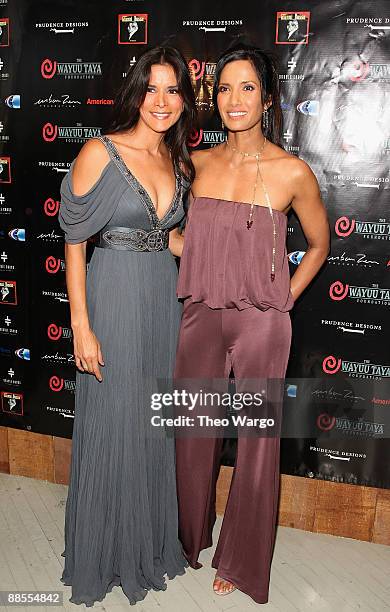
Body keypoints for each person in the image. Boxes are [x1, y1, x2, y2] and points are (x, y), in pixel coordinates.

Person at [174, 44, 330, 604]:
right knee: (192, 435)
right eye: (223, 89)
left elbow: (319, 244)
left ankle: (239, 561)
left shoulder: (291, 171)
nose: (233, 100)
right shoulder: (198, 163)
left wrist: (281, 296)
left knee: (257, 445)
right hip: (200, 316)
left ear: (266, 99)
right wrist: (181, 249)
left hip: (262, 324)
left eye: (246, 88)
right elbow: (183, 234)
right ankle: (186, 540)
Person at [58, 46, 196, 606]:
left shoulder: (179, 163)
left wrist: (233, 253)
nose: (161, 102)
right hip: (112, 297)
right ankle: (103, 554)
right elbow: (73, 241)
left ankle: (147, 546)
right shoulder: (103, 151)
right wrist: (80, 326)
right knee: (113, 424)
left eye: (173, 91)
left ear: (186, 99)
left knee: (151, 426)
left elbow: (173, 241)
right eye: (152, 88)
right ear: (136, 91)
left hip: (163, 302)